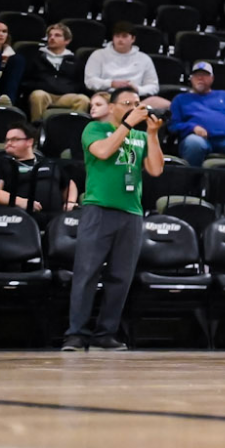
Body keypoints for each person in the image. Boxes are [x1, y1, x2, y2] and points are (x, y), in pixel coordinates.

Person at [61, 86, 164, 351]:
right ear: (113, 107)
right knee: (87, 273)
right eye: (127, 102)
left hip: (131, 212)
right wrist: (128, 125)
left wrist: (152, 135)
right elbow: (103, 152)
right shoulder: (94, 129)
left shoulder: (140, 136)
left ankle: (105, 333)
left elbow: (155, 169)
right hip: (99, 209)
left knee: (121, 277)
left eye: (137, 102)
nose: (134, 106)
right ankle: (76, 333)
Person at [167, 62, 225, 166]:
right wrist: (192, 127)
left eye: (204, 75)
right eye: (197, 75)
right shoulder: (180, 99)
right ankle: (192, 179)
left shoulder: (224, 95)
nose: (200, 78)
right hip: (198, 138)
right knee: (194, 143)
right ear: (191, 79)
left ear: (212, 78)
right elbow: (173, 125)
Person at [0, 124, 69, 219]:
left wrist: (70, 201)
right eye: (7, 140)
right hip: (16, 217)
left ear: (29, 142)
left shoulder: (49, 163)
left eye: (14, 139)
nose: (8, 143)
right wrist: (21, 202)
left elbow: (69, 184)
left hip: (54, 220)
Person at [84, 24, 168, 112]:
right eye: (117, 36)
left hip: (135, 98)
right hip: (108, 97)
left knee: (165, 104)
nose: (120, 40)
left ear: (133, 39)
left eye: (124, 36)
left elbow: (153, 86)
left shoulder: (144, 58)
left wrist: (137, 89)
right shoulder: (98, 55)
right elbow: (90, 81)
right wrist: (111, 83)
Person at [23, 22, 90, 121]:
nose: (52, 38)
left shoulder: (75, 61)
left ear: (67, 40)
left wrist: (66, 88)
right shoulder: (36, 57)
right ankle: (37, 129)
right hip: (44, 94)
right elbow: (27, 81)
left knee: (83, 99)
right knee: (37, 95)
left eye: (57, 35)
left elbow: (80, 84)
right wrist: (45, 85)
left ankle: (74, 129)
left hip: (66, 95)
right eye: (50, 35)